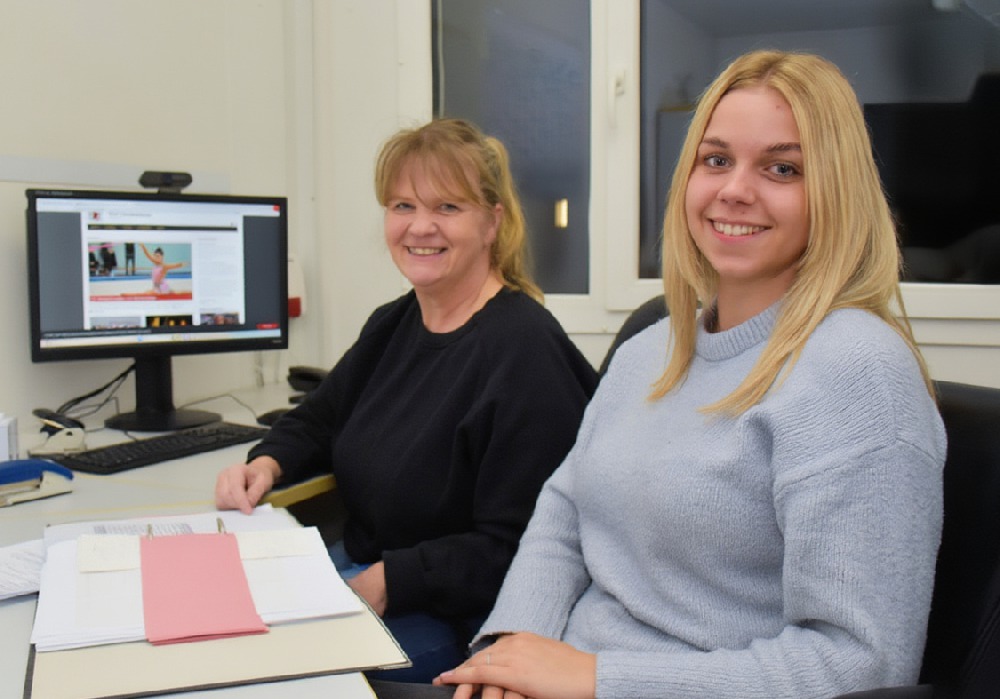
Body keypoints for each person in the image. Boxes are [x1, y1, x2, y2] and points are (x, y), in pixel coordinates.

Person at [431, 50, 946, 699]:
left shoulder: (859, 373)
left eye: (781, 167)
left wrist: (599, 677)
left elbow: (860, 663)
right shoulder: (652, 348)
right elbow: (565, 511)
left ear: (835, 191)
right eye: (716, 159)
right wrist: (513, 646)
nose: (735, 188)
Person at [214, 118, 598, 683]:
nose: (420, 226)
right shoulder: (394, 323)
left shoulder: (524, 352)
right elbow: (321, 418)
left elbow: (527, 545)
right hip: (367, 571)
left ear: (492, 223)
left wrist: (391, 580)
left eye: (447, 207)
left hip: (452, 614)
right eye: (401, 206)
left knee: (252, 673)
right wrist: (266, 462)